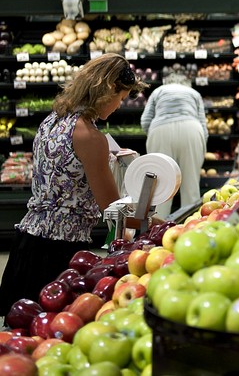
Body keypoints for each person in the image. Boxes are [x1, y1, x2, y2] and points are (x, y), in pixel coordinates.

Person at [0, 54, 147, 315]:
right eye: (121, 98)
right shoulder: (90, 136)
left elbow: (66, 169)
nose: (118, 106)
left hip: (27, 243)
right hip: (58, 255)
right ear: (109, 89)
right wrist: (150, 222)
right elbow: (112, 209)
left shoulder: (53, 120)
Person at [140, 74, 208, 218]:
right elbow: (203, 124)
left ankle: (156, 230)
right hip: (191, 129)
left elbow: (145, 120)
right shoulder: (194, 93)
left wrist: (153, 135)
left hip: (160, 130)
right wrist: (201, 146)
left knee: (161, 184)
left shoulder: (158, 91)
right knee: (191, 186)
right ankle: (192, 226)